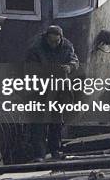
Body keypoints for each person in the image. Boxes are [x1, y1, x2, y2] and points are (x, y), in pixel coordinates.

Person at [25, 25, 79, 161]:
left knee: (56, 120)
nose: (54, 45)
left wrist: (70, 67)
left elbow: (75, 60)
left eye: (57, 41)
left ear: (61, 38)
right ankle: (39, 153)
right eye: (51, 41)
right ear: (46, 38)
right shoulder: (36, 47)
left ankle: (55, 150)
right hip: (40, 88)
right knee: (39, 122)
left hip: (59, 88)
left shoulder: (67, 46)